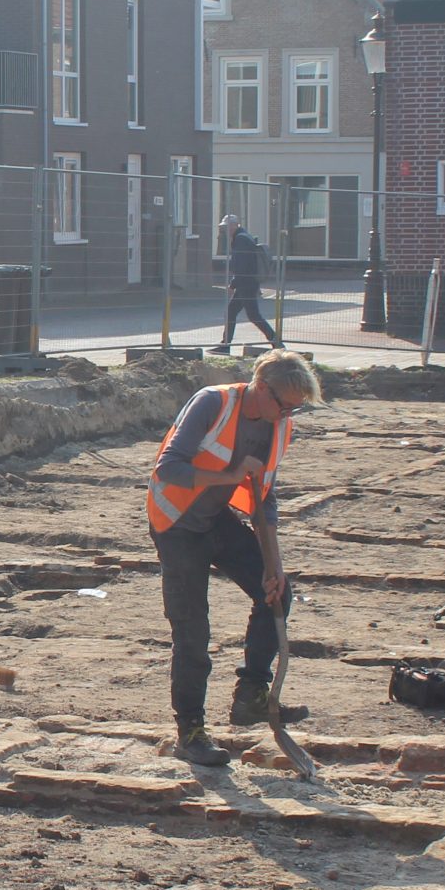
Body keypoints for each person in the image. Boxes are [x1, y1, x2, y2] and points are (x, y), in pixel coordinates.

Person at [147, 350, 323, 766]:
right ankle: (190, 732)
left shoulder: (280, 426)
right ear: (262, 387)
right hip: (177, 522)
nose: (287, 415)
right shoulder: (213, 402)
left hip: (216, 520)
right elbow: (168, 468)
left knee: (276, 595)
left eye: (296, 409)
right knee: (192, 631)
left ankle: (251, 695)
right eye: (284, 405)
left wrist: (273, 565)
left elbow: (266, 499)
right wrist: (229, 476)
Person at [219, 214, 280, 352]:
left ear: (235, 225)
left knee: (253, 315)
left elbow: (241, 265)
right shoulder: (244, 237)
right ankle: (225, 345)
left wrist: (233, 284)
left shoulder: (240, 240)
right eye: (224, 228)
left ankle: (276, 341)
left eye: (227, 227)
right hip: (248, 283)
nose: (225, 230)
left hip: (246, 283)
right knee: (233, 312)